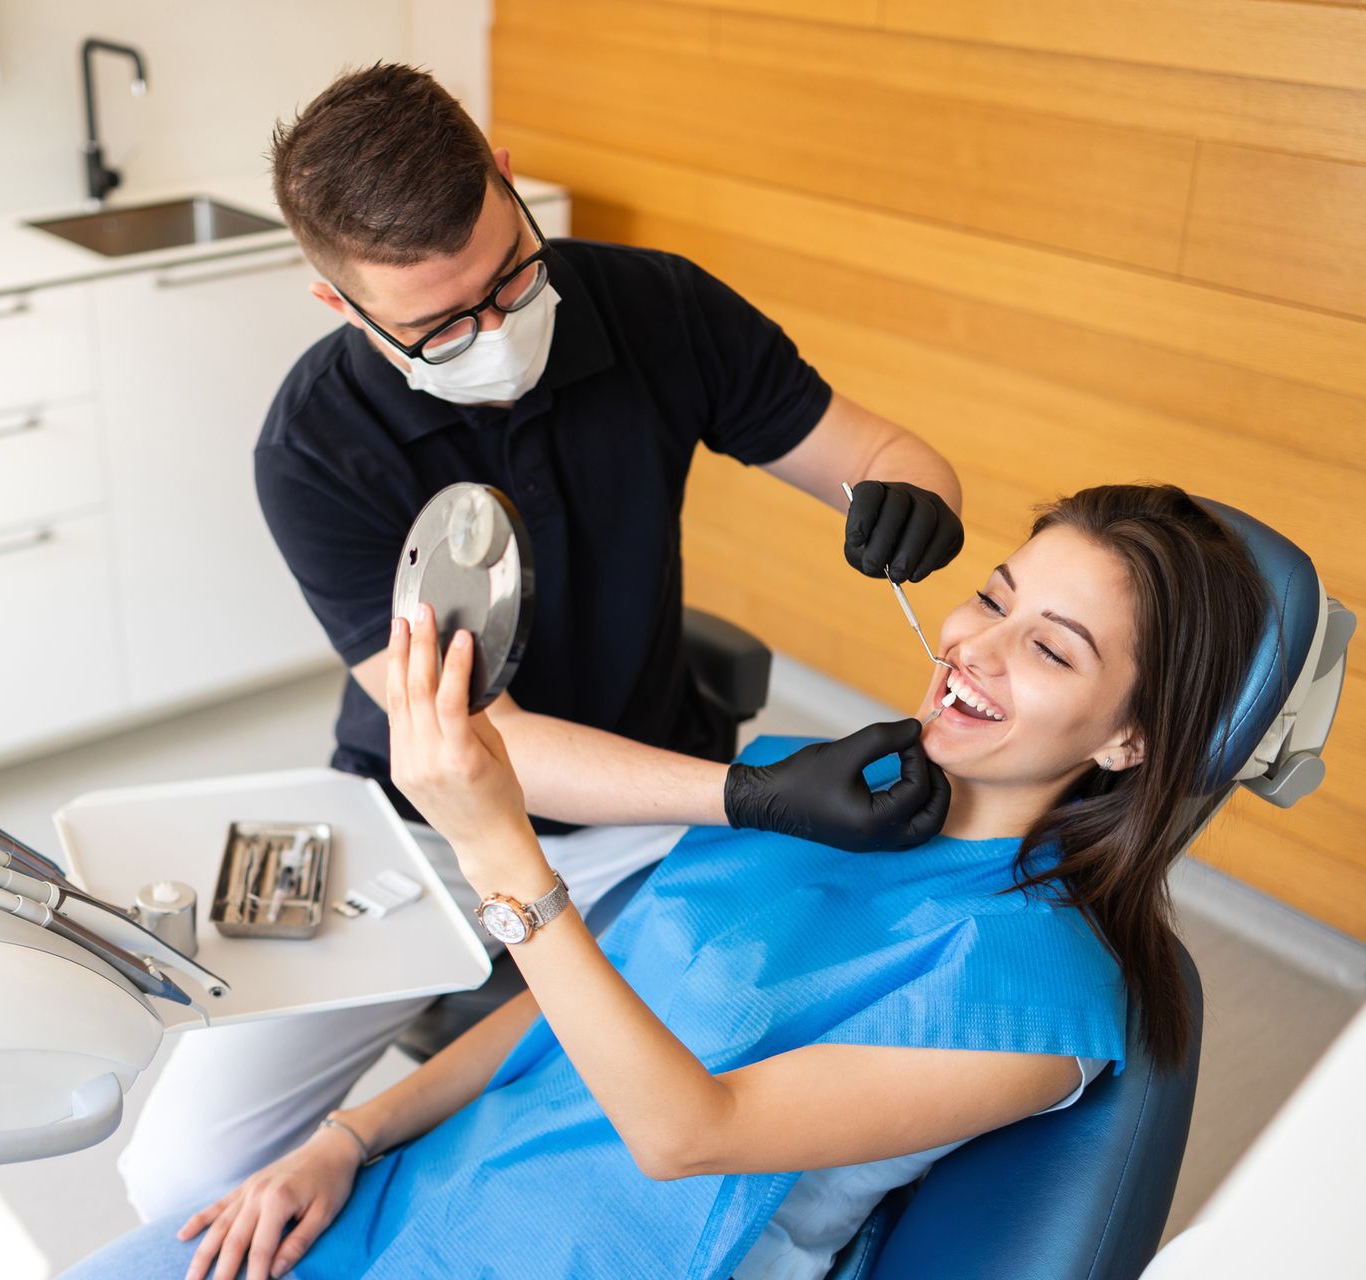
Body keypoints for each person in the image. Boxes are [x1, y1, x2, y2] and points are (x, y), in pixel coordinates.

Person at [120, 61, 966, 1218]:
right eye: (439, 325)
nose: (493, 333)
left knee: (646, 1120)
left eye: (510, 279)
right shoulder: (314, 448)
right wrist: (754, 794)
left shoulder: (659, 307)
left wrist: (912, 492)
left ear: (509, 187)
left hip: (642, 822)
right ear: (343, 307)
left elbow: (885, 454)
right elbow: (490, 748)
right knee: (176, 1173)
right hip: (414, 825)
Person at [64, 484, 1272, 1280]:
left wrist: (497, 845)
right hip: (430, 1197)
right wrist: (347, 1133)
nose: (976, 648)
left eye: (1051, 649)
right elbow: (581, 999)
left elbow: (689, 1136)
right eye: (994, 598)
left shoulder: (1038, 990)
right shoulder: (811, 781)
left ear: (1129, 739)